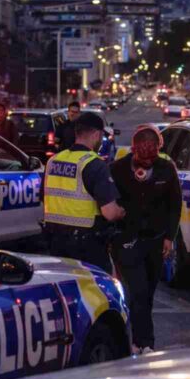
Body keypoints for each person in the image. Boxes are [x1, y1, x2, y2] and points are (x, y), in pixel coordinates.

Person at [110, 124, 182, 354]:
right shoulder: (117, 169)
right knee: (139, 291)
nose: (146, 162)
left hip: (156, 240)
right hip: (127, 240)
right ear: (134, 149)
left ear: (158, 150)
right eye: (142, 156)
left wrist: (169, 237)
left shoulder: (167, 169)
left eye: (152, 156)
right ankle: (145, 343)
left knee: (147, 295)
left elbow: (174, 205)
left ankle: (136, 338)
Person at [43, 110, 125, 273]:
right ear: (95, 134)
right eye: (101, 136)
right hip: (86, 244)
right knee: (96, 290)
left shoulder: (53, 161)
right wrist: (121, 212)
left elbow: (44, 199)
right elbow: (109, 213)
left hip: (54, 240)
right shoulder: (95, 164)